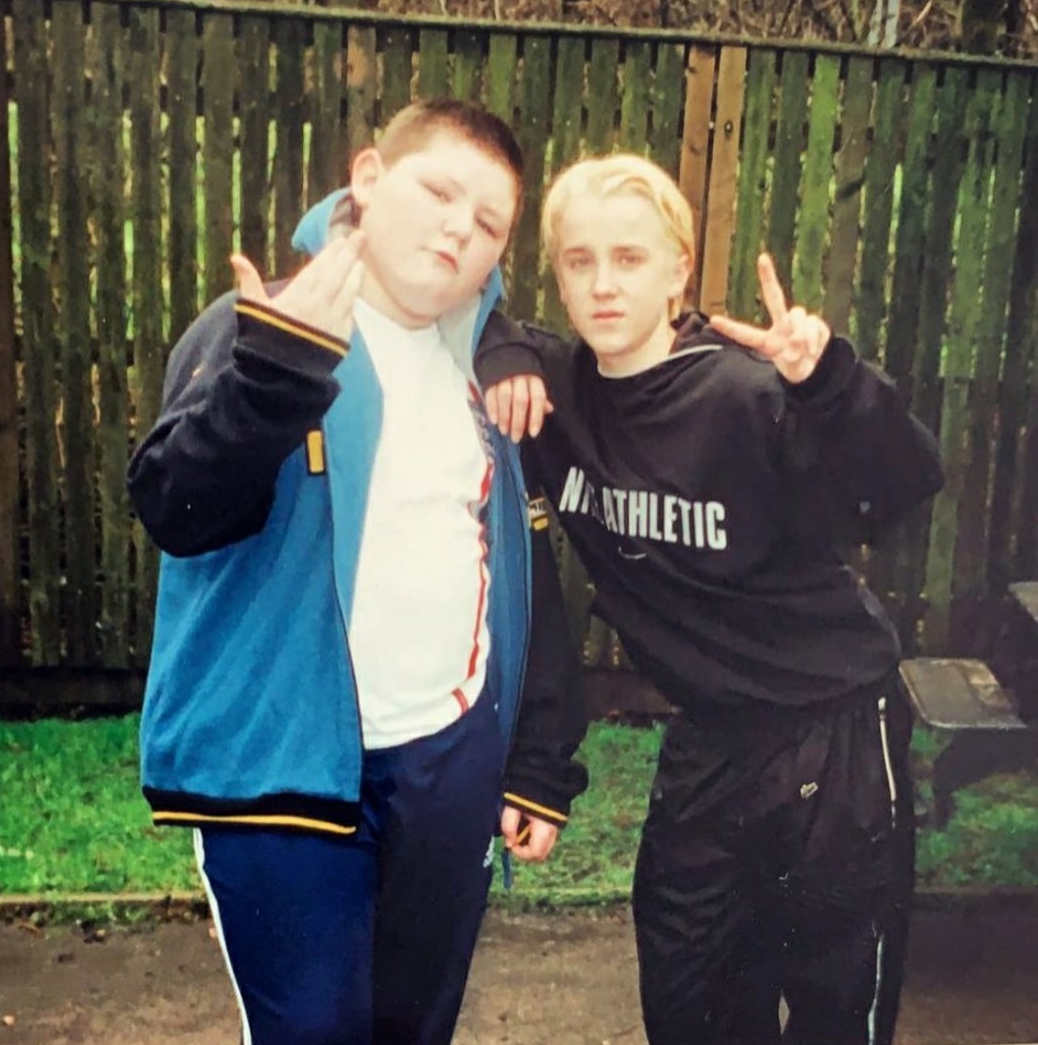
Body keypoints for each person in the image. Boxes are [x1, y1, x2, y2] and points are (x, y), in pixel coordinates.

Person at [127, 99, 588, 1045]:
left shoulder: (491, 371)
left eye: (488, 223)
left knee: (415, 1027)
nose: (458, 229)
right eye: (438, 192)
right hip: (287, 775)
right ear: (369, 179)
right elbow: (175, 509)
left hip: (447, 764)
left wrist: (537, 759)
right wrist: (273, 375)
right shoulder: (263, 324)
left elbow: (518, 568)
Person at [476, 153, 944, 1045]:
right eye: (580, 261)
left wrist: (831, 384)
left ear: (677, 272)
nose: (604, 284)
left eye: (630, 259)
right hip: (709, 736)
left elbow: (904, 486)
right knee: (689, 998)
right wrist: (497, 344)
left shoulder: (748, 391)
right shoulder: (553, 394)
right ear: (557, 278)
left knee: (835, 1005)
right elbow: (454, 297)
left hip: (834, 726)